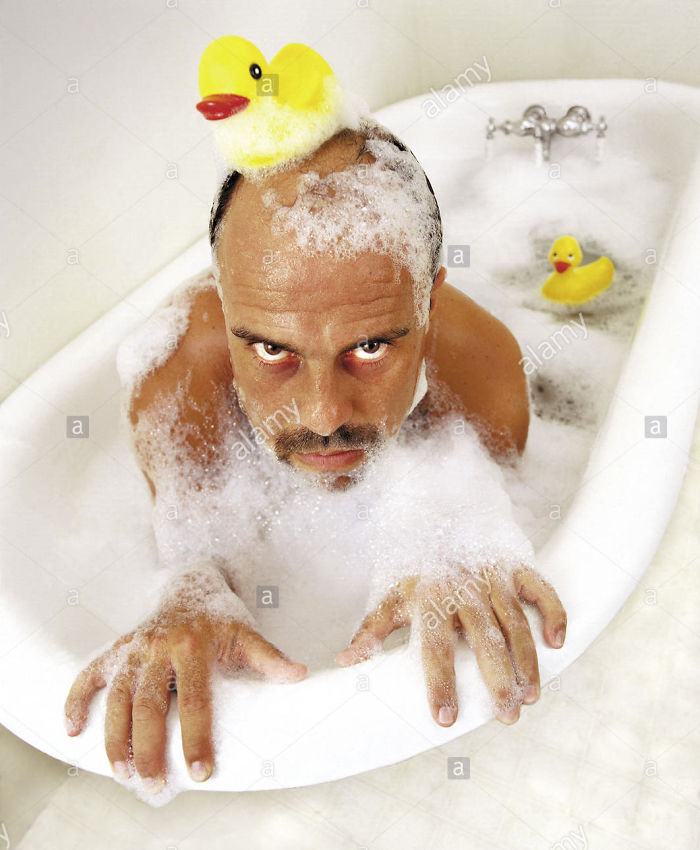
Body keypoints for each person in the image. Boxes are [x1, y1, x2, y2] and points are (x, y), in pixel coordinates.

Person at [64, 121, 567, 794]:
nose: (322, 415)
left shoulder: (482, 372)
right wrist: (189, 596)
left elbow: (479, 495)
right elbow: (198, 546)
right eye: (272, 351)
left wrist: (452, 536)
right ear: (225, 302)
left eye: (370, 349)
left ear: (430, 302)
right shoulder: (180, 372)